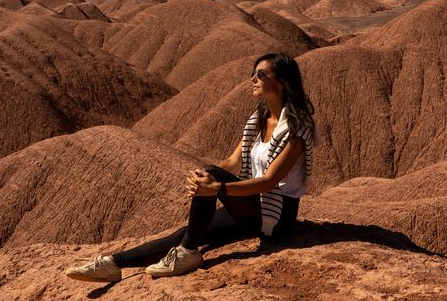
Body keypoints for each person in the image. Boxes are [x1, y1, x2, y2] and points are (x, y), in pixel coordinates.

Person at [65, 51, 320, 282]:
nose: (253, 78)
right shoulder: (259, 119)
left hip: (276, 216)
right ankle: (112, 263)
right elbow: (233, 161)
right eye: (253, 73)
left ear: (282, 82)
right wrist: (201, 179)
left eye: (261, 74)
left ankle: (186, 254)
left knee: (207, 184)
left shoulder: (295, 130)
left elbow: (269, 182)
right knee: (188, 233)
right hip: (251, 205)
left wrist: (217, 187)